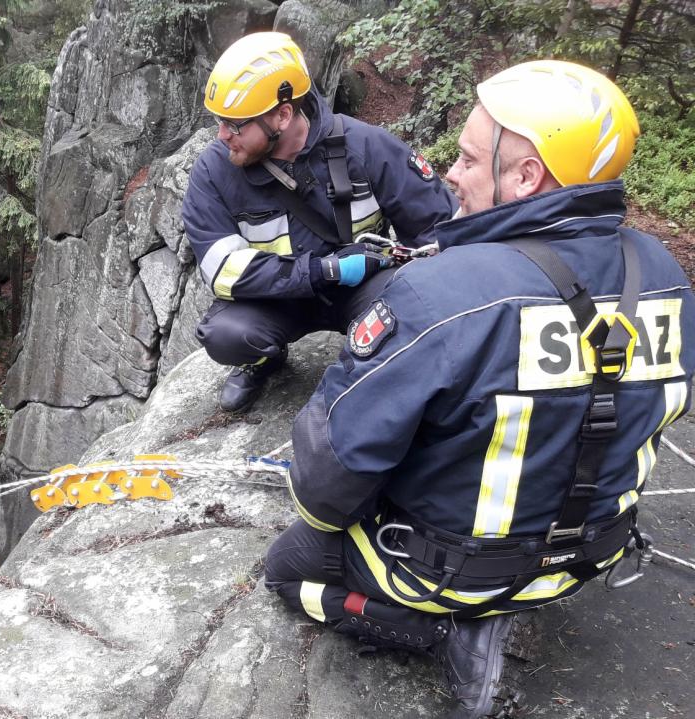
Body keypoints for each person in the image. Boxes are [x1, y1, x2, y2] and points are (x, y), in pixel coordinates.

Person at [263, 59, 695, 719]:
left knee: (288, 568)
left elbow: (326, 485)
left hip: (446, 572)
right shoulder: (663, 273)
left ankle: (442, 632)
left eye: (468, 159)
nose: (450, 175)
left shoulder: (446, 294)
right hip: (586, 557)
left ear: (527, 177)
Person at [183, 31, 458, 412]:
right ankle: (263, 359)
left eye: (235, 124)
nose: (222, 135)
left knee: (415, 308)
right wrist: (321, 271)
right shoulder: (214, 171)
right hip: (279, 299)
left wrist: (419, 283)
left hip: (362, 287)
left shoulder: (365, 146)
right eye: (220, 122)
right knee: (227, 335)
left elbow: (438, 228)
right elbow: (222, 271)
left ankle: (377, 364)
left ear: (282, 114)